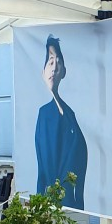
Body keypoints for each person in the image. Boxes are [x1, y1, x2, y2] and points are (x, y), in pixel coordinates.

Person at [35, 35, 87, 209]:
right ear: (43, 72)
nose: (54, 68)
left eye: (58, 62)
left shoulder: (70, 113)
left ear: (64, 71)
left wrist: (79, 201)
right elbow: (43, 167)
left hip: (71, 202)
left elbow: (80, 156)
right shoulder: (45, 113)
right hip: (53, 204)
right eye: (50, 62)